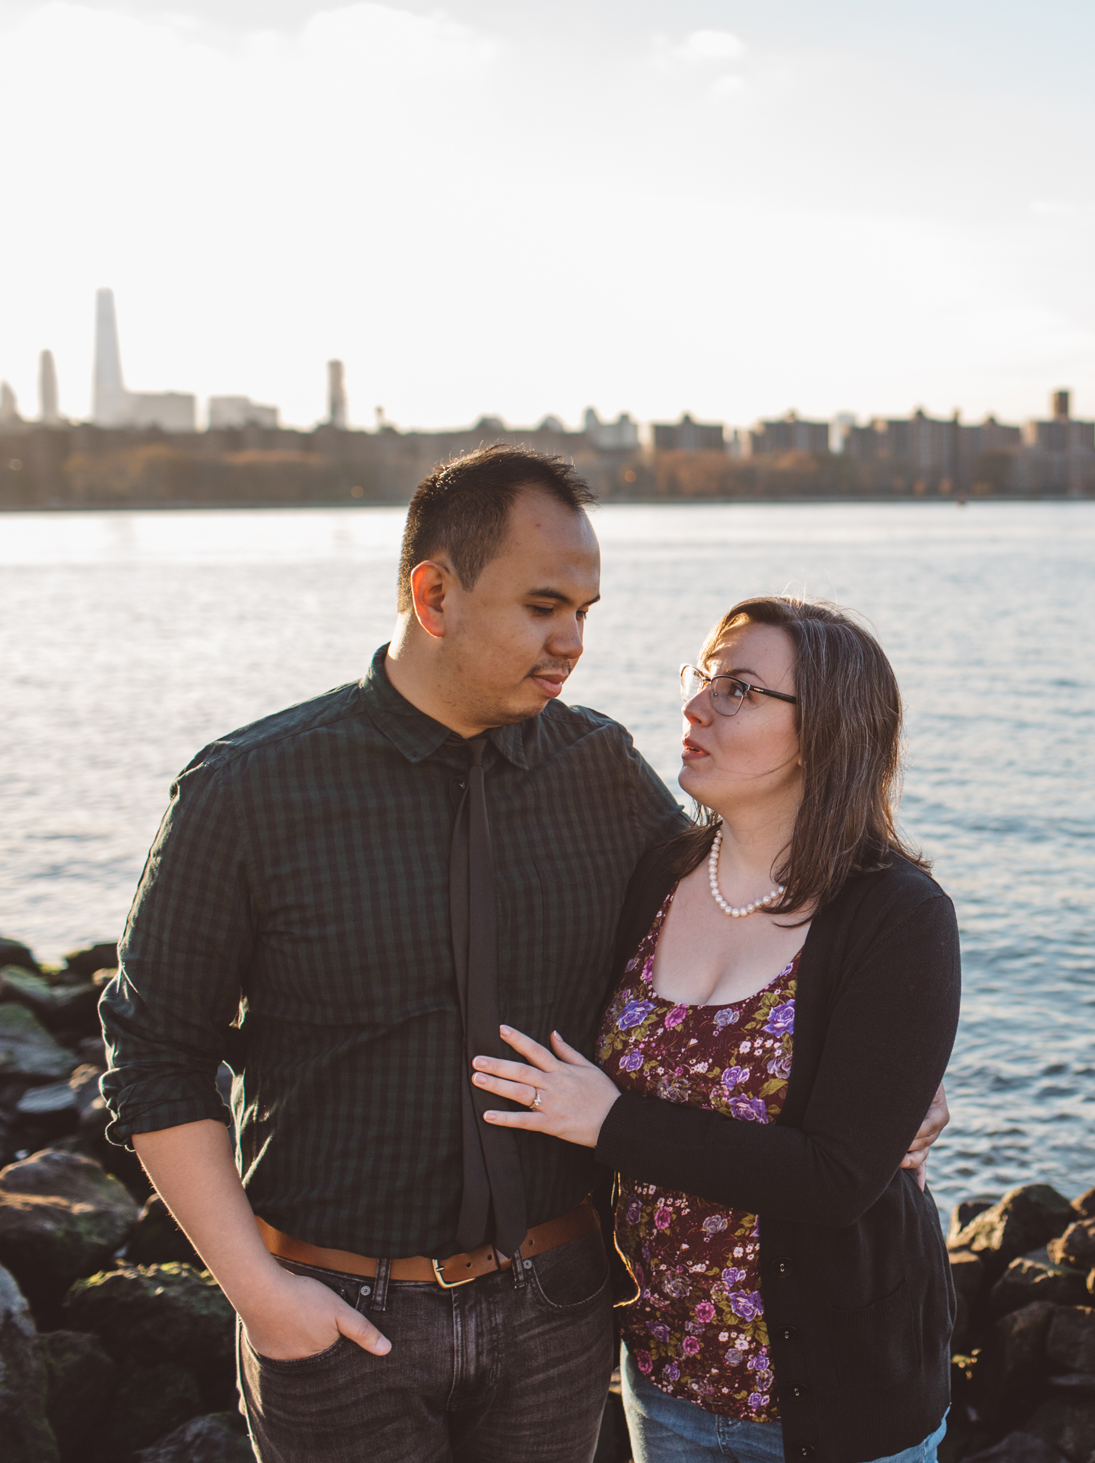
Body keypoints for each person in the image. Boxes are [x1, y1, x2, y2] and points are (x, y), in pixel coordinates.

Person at [97, 449, 947, 1462]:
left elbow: (769, 919)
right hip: (338, 1315)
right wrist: (263, 1297)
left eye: (587, 610)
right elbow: (154, 1055)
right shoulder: (248, 789)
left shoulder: (600, 772)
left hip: (563, 1309)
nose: (573, 641)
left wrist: (899, 1089)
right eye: (546, 605)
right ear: (434, 594)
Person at [469, 595, 959, 1463]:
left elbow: (837, 1178)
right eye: (701, 676)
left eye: (738, 688)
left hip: (836, 1402)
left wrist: (611, 1121)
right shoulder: (658, 871)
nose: (695, 705)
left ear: (824, 731)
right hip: (662, 1381)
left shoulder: (896, 914)